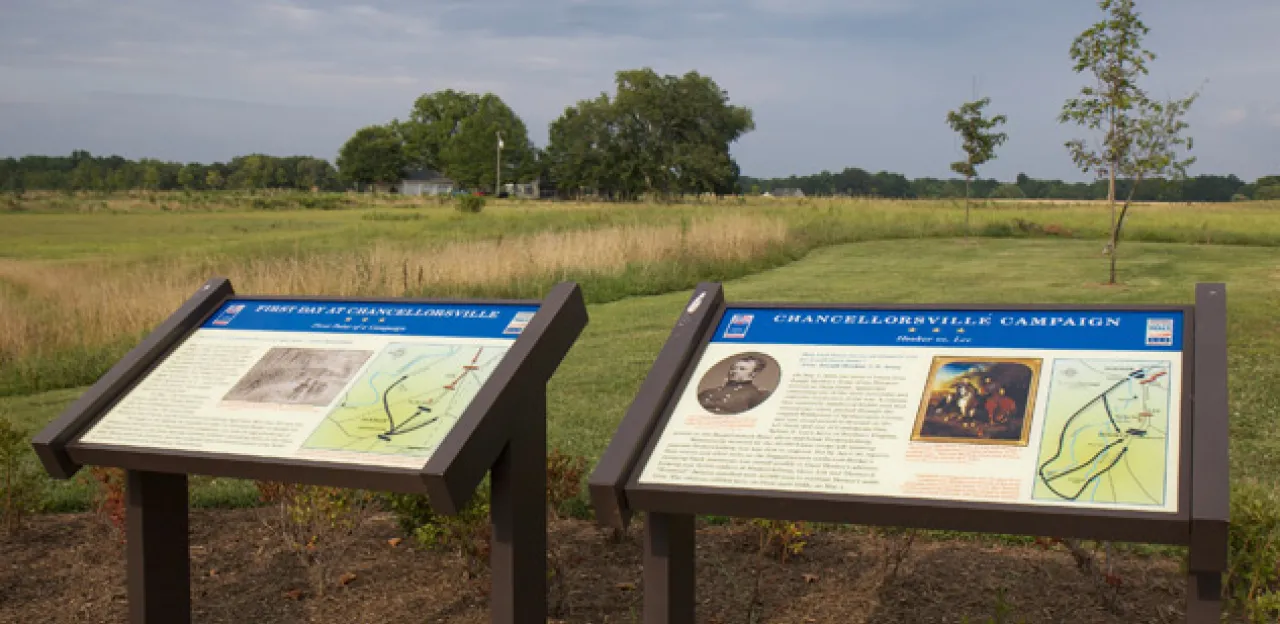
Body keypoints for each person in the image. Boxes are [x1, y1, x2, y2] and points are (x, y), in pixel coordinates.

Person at [697, 355, 772, 414]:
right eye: (733, 368)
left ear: (753, 374)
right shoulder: (708, 392)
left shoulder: (758, 394)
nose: (734, 371)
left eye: (742, 369)